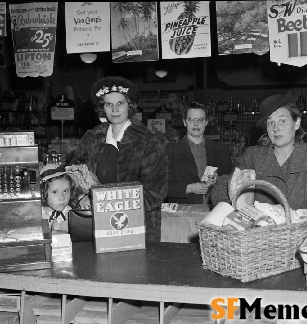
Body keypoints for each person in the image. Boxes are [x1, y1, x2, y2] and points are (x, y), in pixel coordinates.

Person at [69, 76, 169, 243]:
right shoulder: (91, 138)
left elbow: (155, 192)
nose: (114, 109)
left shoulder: (148, 141)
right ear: (102, 108)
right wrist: (80, 197)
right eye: (109, 104)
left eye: (120, 103)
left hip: (137, 227)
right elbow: (72, 174)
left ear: (129, 106)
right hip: (96, 227)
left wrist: (111, 206)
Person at [211, 91, 307, 214]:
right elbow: (223, 186)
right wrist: (236, 211)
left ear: (296, 123)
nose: (276, 128)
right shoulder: (253, 157)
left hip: (303, 233)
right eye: (271, 122)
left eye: (282, 121)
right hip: (262, 233)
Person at [166, 102, 233, 204]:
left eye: (200, 120)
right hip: (184, 214)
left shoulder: (221, 150)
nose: (196, 124)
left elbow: (231, 184)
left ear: (206, 122)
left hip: (214, 211)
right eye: (191, 119)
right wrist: (189, 188)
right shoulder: (170, 152)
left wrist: (218, 180)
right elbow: (160, 187)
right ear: (184, 122)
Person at [40, 164, 80, 233]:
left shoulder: (72, 215)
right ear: (43, 193)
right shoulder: (37, 215)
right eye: (55, 192)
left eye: (65, 191)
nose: (62, 198)